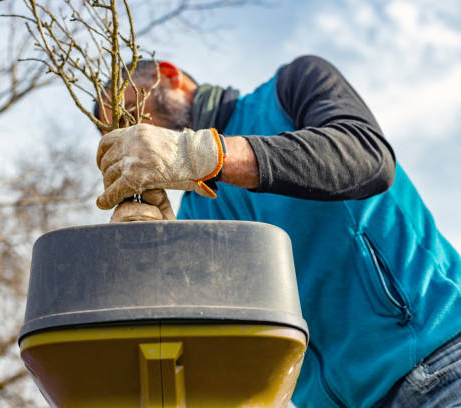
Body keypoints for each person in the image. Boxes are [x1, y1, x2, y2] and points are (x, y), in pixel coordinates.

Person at [94, 56, 461, 407]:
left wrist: (211, 155)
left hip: (441, 360)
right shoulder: (194, 213)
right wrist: (154, 261)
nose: (140, 132)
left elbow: (367, 157)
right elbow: (222, 350)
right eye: (126, 131)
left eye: (136, 112)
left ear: (168, 75)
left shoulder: (291, 87)